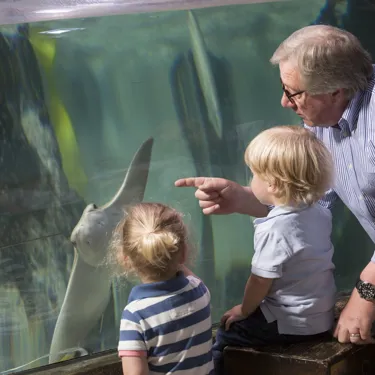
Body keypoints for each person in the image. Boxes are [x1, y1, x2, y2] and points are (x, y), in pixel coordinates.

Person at [175, 24, 375, 345]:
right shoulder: (320, 120)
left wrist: (366, 293)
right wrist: (243, 198)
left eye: (293, 92)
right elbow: (308, 203)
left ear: (336, 91)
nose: (284, 102)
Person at [211, 125, 336, 374]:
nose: (251, 180)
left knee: (226, 335)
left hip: (290, 323)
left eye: (255, 174)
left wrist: (244, 310)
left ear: (275, 185)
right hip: (322, 316)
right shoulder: (320, 212)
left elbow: (260, 280)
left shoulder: (275, 229)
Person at [111, 202, 214, 375]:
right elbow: (186, 273)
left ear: (125, 259)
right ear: (184, 252)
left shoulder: (136, 316)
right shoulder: (199, 292)